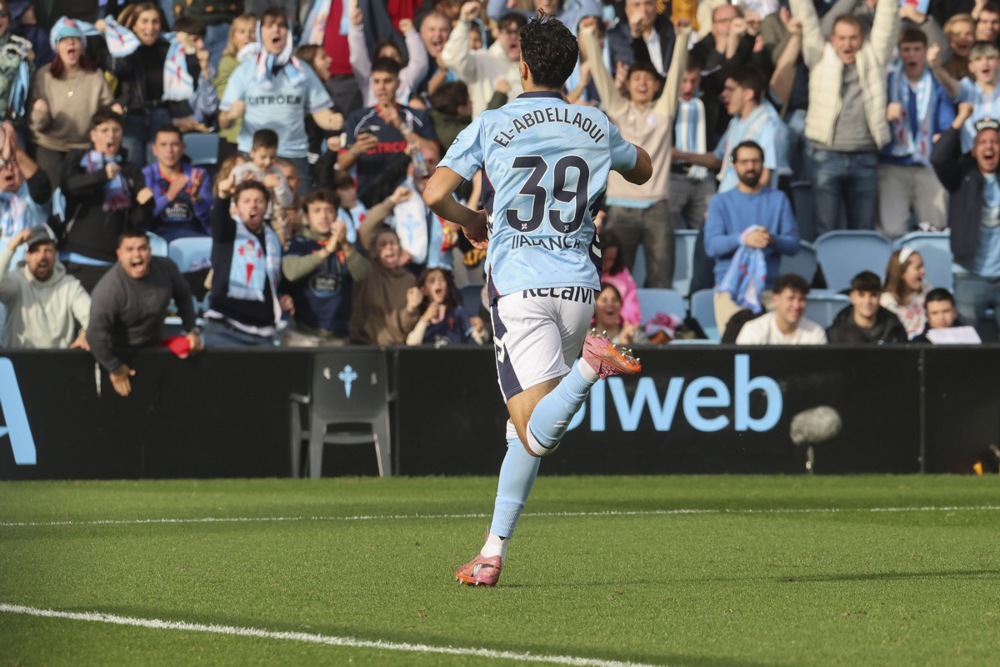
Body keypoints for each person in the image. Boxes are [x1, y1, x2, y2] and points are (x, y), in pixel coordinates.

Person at [422, 12, 652, 587]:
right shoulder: (593, 123)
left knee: (536, 432)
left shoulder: (494, 121)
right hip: (578, 285)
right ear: (570, 69)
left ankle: (589, 370)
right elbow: (643, 169)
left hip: (520, 286)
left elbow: (434, 193)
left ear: (521, 66)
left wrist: (472, 219)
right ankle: (492, 551)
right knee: (519, 430)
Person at [581, 17, 690, 289]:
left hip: (657, 207)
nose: (642, 83)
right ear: (628, 84)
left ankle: (662, 328)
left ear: (656, 85)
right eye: (637, 78)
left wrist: (683, 37)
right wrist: (590, 38)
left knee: (661, 278)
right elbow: (602, 77)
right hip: (620, 209)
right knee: (615, 281)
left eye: (648, 79)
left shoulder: (664, 111)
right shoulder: (618, 109)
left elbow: (675, 77)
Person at [791, 0, 898, 236]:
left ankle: (862, 274)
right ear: (832, 39)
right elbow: (808, 20)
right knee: (826, 228)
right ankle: (823, 274)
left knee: (863, 230)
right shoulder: (818, 57)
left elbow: (887, 24)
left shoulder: (875, 58)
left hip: (865, 156)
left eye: (853, 38)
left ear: (863, 39)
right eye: (842, 38)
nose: (847, 44)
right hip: (825, 155)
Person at [218, 6, 344, 194]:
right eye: (269, 25)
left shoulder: (303, 71)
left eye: (282, 26)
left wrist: (333, 121)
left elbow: (320, 112)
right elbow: (223, 122)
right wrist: (231, 115)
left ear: (289, 32)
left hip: (294, 154)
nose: (276, 30)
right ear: (260, 32)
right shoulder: (244, 71)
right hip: (254, 156)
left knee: (300, 214)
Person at [88, 229, 202, 397]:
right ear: (119, 254)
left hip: (154, 349)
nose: (137, 255)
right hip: (120, 356)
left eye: (142, 248)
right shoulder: (109, 290)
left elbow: (184, 295)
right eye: (130, 249)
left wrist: (191, 329)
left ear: (150, 251)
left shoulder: (166, 268)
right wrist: (115, 368)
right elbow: (94, 336)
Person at [704, 140, 800, 335]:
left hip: (770, 290)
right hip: (730, 291)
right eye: (744, 161)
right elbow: (711, 246)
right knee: (736, 352)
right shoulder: (721, 201)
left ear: (763, 164)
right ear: (735, 165)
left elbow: (793, 244)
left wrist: (772, 239)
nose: (750, 166)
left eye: (755, 161)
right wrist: (743, 239)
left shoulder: (778, 198)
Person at [59, 108, 154, 293]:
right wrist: (100, 176)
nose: (111, 135)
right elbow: (69, 187)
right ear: (93, 135)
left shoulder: (130, 170)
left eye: (116, 130)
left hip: (113, 262)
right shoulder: (78, 161)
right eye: (104, 131)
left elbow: (137, 222)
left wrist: (146, 204)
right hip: (76, 258)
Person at [877, 28, 954, 239]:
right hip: (892, 164)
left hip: (928, 165)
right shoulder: (886, 80)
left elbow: (947, 119)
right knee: (891, 232)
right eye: (907, 49)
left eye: (917, 49)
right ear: (899, 52)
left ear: (925, 51)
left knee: (934, 229)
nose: (912, 55)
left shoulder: (935, 82)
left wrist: (942, 136)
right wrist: (882, 115)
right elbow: (868, 116)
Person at [931, 107, 1000, 341]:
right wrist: (959, 120)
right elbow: (938, 157)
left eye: (995, 141)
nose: (989, 147)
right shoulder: (961, 174)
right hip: (969, 276)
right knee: (964, 347)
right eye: (982, 142)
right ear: (973, 148)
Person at [29, 17, 117, 188]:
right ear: (56, 46)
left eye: (76, 39)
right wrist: (39, 114)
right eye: (65, 40)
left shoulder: (95, 75)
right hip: (50, 144)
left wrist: (114, 111)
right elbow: (35, 125)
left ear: (82, 47)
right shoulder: (44, 75)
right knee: (52, 194)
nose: (71, 43)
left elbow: (106, 112)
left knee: (82, 193)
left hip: (84, 146)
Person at [338, 57, 438, 201]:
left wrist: (401, 125)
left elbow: (433, 153)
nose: (382, 87)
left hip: (411, 197)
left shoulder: (417, 117)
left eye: (387, 81)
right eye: (377, 81)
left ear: (398, 83)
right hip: (370, 197)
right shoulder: (358, 119)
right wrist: (357, 149)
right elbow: (341, 164)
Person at [281, 189, 370, 346]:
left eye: (329, 210)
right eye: (317, 211)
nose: (324, 216)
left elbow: (363, 275)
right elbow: (291, 272)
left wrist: (344, 245)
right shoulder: (298, 244)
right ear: (307, 217)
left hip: (337, 334)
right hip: (301, 332)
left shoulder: (348, 246)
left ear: (336, 215)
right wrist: (327, 250)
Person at [203, 180, 284, 346]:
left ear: (266, 207)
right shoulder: (228, 231)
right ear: (237, 207)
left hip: (263, 331)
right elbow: (218, 219)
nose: (253, 206)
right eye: (246, 201)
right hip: (225, 329)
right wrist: (223, 196)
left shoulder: (273, 239)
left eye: (259, 201)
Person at [0, 225, 90, 349]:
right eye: (36, 250)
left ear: (55, 254)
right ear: (27, 256)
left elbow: (92, 315)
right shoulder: (16, 282)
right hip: (18, 361)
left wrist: (85, 334)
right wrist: (11, 247)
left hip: (58, 362)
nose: (42, 256)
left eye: (47, 250)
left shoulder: (69, 285)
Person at [441, 2, 525, 117]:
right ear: (498, 34)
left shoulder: (536, 67)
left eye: (519, 32)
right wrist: (464, 23)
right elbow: (453, 59)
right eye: (508, 32)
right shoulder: (482, 60)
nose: (514, 37)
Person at [347, 226, 422, 344]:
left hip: (396, 347)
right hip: (363, 344)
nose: (389, 247)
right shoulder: (367, 270)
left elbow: (406, 326)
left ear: (400, 249)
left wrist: (411, 309)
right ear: (374, 251)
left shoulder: (409, 279)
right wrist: (390, 205)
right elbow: (366, 229)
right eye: (383, 244)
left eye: (393, 243)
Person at [141, 125, 212, 242]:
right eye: (163, 145)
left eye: (174, 144)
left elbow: (209, 218)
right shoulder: (146, 175)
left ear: (183, 148)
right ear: (154, 149)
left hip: (194, 236)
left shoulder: (198, 174)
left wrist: (195, 198)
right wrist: (168, 197)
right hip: (158, 238)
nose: (169, 150)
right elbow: (144, 217)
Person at [348, 9, 427, 108]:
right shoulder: (368, 78)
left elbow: (420, 64)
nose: (389, 59)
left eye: (394, 55)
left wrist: (411, 33)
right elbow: (357, 58)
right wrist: (356, 29)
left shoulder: (406, 78)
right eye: (384, 56)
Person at [735, 272, 827, 344]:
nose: (796, 305)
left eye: (801, 299)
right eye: (791, 298)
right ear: (776, 300)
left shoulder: (815, 333)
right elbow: (742, 366)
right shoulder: (753, 330)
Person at [405, 266, 487, 345]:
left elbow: (481, 340)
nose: (438, 283)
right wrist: (424, 319)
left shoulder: (458, 313)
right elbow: (412, 344)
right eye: (432, 281)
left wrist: (480, 330)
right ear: (424, 290)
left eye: (442, 279)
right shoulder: (419, 314)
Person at [212, 14, 256, 160]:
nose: (247, 37)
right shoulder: (227, 62)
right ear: (233, 36)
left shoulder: (266, 64)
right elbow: (224, 95)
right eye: (242, 32)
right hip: (233, 135)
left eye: (252, 31)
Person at [826, 270, 909, 343]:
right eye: (861, 295)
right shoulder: (836, 333)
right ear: (852, 297)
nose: (867, 301)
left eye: (873, 295)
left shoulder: (894, 330)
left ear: (880, 297)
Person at [880, 248, 931, 338]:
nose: (923, 271)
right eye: (918, 267)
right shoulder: (887, 301)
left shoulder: (926, 289)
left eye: (922, 266)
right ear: (902, 273)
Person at [598, 229, 641, 326]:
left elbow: (631, 306)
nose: (607, 263)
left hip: (618, 329)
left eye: (611, 259)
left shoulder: (623, 274)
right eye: (604, 259)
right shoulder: (585, 274)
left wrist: (617, 321)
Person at [912, 286, 982, 342]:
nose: (941, 317)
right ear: (927, 316)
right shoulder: (917, 344)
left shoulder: (971, 339)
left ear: (955, 312)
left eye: (946, 311)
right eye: (935, 313)